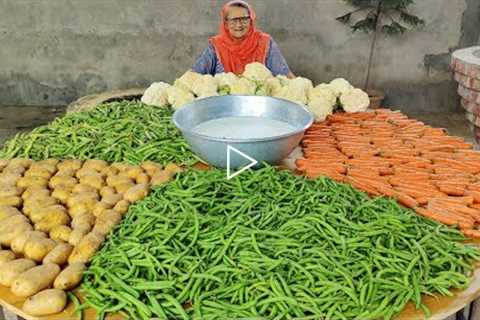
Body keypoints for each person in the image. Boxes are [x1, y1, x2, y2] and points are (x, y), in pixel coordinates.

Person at [192, 0, 294, 77]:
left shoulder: (265, 42)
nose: (239, 24)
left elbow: (286, 76)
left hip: (260, 103)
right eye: (233, 20)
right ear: (226, 23)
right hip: (223, 104)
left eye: (244, 19)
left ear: (251, 20)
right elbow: (193, 75)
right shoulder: (216, 45)